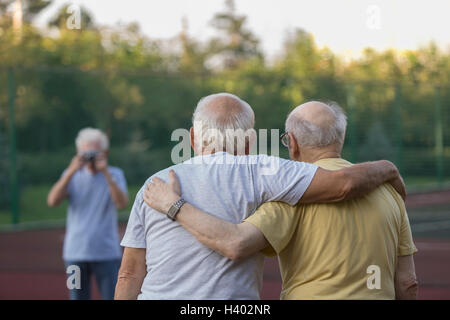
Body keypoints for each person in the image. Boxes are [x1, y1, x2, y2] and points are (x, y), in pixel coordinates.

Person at [115, 93, 405, 300]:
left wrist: (173, 205)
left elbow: (129, 275)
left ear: (192, 138)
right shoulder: (265, 171)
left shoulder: (153, 186)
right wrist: (388, 168)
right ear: (250, 141)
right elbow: (343, 185)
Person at [47, 127, 128, 300]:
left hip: (106, 252)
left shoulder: (114, 174)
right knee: (77, 297)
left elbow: (121, 203)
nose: (90, 157)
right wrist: (70, 171)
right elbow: (52, 201)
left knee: (112, 296)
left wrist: (105, 172)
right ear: (78, 153)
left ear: (105, 152)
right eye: (86, 153)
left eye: (95, 152)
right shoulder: (71, 176)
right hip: (75, 252)